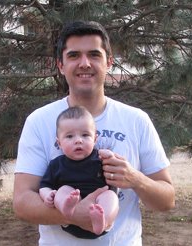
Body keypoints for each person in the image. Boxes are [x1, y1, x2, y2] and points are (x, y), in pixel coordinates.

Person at [13, 20, 175, 246]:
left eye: (94, 54)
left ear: (109, 62)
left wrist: (135, 179)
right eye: (73, 56)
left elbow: (167, 200)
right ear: (60, 65)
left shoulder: (136, 120)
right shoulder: (39, 121)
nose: (85, 63)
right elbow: (22, 202)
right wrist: (71, 214)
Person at [39, 106, 119, 239]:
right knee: (63, 190)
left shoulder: (100, 159)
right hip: (69, 221)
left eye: (85, 135)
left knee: (110, 195)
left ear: (95, 139)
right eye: (69, 136)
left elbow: (115, 172)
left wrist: (110, 157)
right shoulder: (56, 164)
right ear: (59, 143)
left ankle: (101, 218)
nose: (78, 140)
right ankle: (67, 208)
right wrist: (48, 195)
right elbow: (44, 185)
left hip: (99, 206)